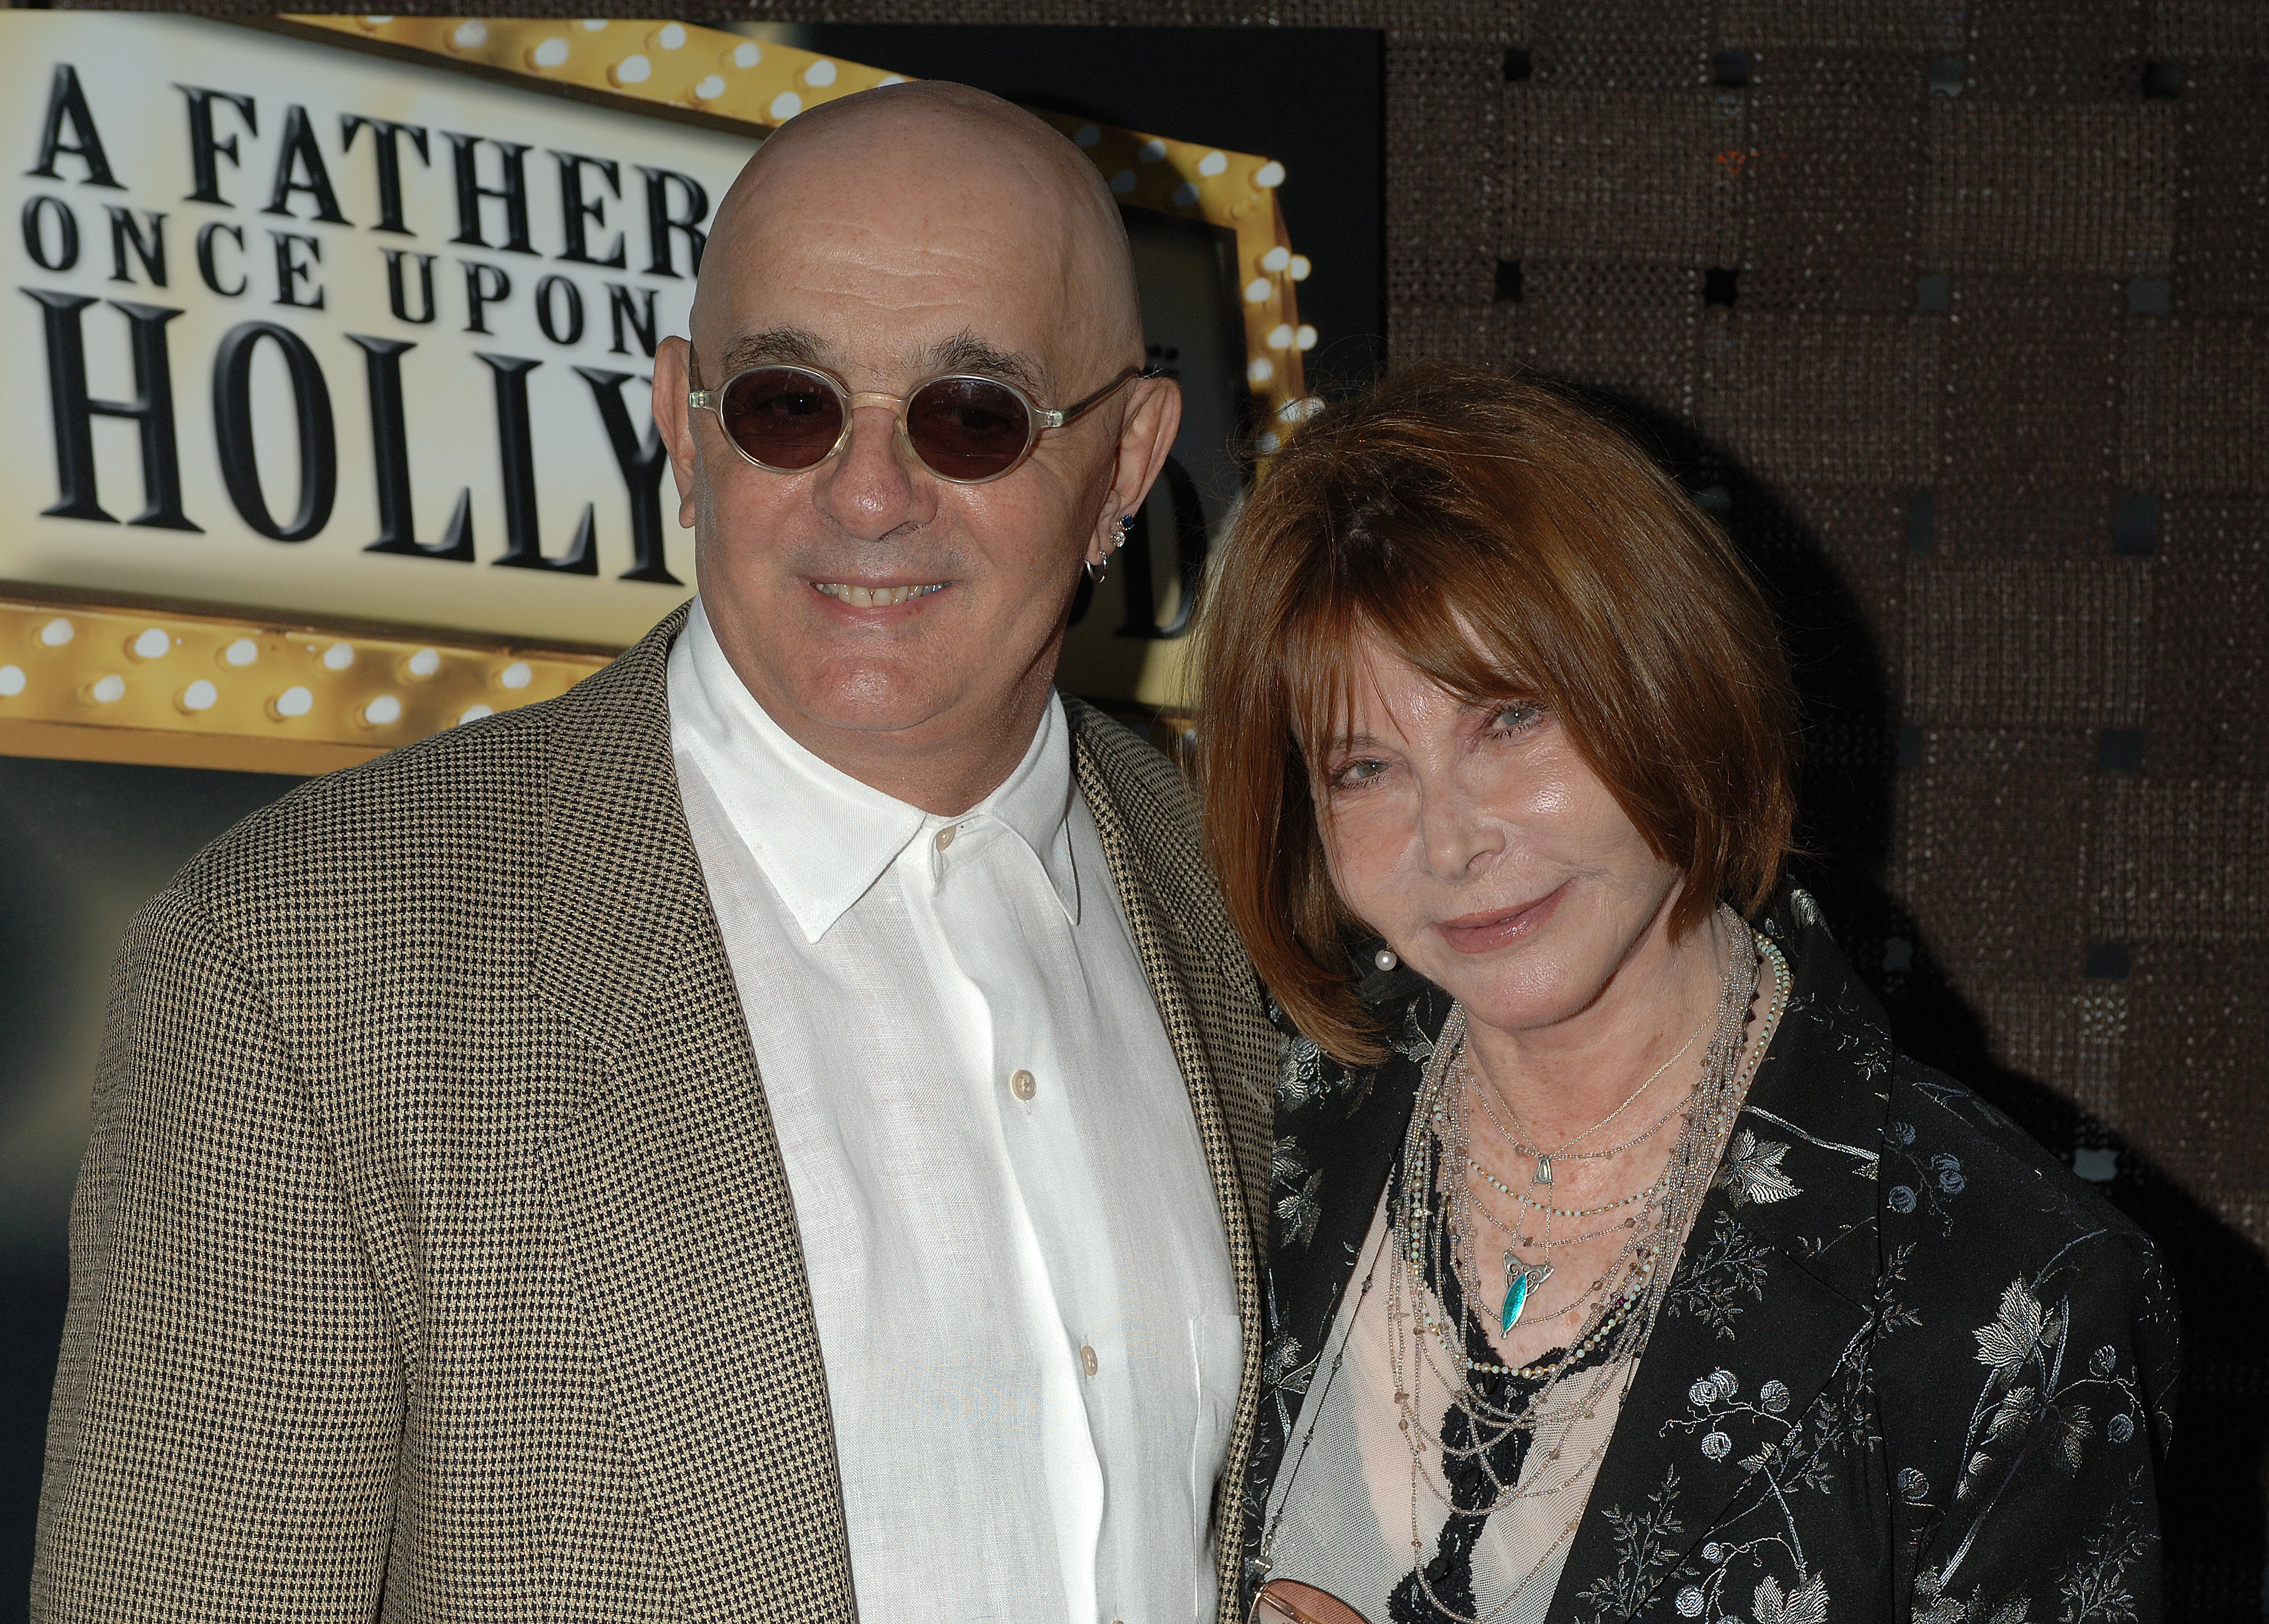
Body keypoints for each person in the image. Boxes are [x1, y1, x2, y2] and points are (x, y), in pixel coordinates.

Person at [35, 84, 1276, 1623]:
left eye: (971, 415)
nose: (870, 494)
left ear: (1127, 459)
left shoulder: (1237, 894)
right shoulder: (294, 971)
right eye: (787, 402)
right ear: (684, 422)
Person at [1195, 364, 2179, 1624]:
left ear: (1673, 685)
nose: (1448, 842)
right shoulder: (1260, 1106)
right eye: (1364, 766)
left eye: (1510, 719)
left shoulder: (2009, 1286)